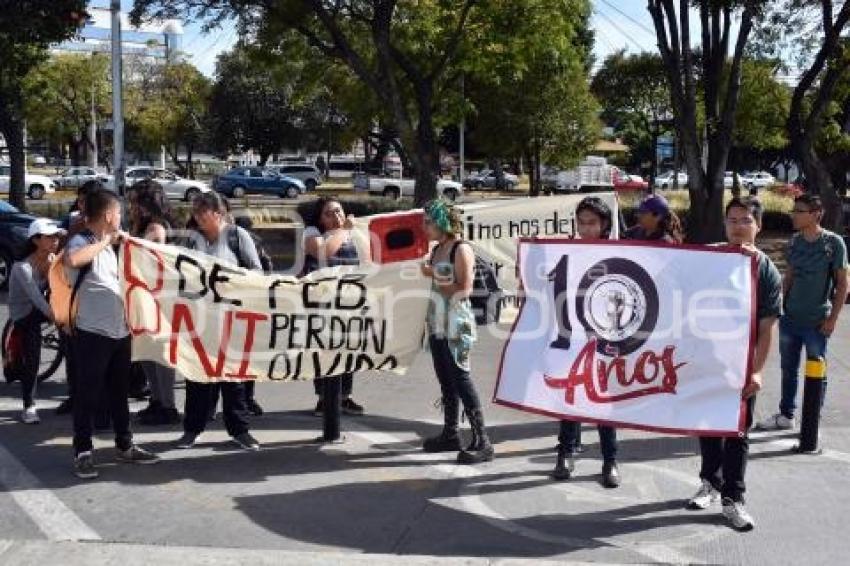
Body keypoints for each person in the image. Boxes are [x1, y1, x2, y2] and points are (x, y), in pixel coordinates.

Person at [686, 196, 782, 531]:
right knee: (707, 426)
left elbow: (768, 326)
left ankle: (734, 498)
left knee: (737, 432)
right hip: (705, 360)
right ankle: (710, 483)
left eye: (746, 221)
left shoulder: (765, 269)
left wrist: (756, 370)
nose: (738, 227)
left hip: (740, 365)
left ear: (758, 226)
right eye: (732, 220)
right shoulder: (709, 257)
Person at [64, 189, 159, 479]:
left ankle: (125, 444)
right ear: (107, 216)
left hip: (120, 332)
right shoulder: (83, 241)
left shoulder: (113, 246)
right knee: (87, 395)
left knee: (120, 393)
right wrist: (107, 240)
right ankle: (83, 451)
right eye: (118, 213)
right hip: (92, 334)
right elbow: (73, 260)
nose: (122, 217)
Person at [174, 192, 261, 451]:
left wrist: (229, 279)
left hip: (232, 318)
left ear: (218, 213)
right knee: (197, 375)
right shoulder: (192, 239)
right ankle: (193, 429)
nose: (198, 217)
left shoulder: (236, 236)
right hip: (200, 319)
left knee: (233, 377)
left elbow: (256, 270)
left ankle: (240, 430)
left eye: (203, 212)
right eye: (195, 212)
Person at [757, 194, 848, 430]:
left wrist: (833, 318)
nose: (794, 215)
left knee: (817, 372)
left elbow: (843, 284)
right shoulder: (795, 241)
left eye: (799, 211)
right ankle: (786, 415)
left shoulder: (833, 243)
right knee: (788, 370)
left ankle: (811, 422)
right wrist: (778, 308)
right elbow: (789, 277)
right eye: (793, 210)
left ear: (816, 214)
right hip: (790, 318)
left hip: (817, 321)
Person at [550, 197, 621, 488]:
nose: (585, 228)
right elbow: (551, 283)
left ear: (604, 224)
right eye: (581, 222)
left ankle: (610, 459)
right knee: (571, 395)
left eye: (591, 222)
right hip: (574, 335)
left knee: (604, 402)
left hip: (606, 337)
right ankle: (565, 452)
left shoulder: (618, 253)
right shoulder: (568, 250)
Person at [420, 199, 494, 464]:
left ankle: (482, 440)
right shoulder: (437, 248)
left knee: (461, 378)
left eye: (428, 221)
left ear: (441, 221)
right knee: (445, 381)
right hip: (436, 323)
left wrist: (432, 274)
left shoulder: (460, 249)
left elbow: (464, 289)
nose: (424, 226)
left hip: (455, 323)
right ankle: (451, 433)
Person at [303, 196, 365, 417]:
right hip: (322, 304)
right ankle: (324, 398)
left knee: (349, 351)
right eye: (329, 213)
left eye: (339, 211)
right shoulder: (312, 234)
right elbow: (322, 252)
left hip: (349, 303)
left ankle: (344, 396)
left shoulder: (355, 235)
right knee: (323, 352)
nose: (336, 216)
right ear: (319, 218)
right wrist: (344, 230)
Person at [126, 179, 180, 426]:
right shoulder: (144, 225)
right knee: (147, 350)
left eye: (135, 201)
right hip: (145, 297)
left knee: (160, 352)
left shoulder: (157, 228)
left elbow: (152, 262)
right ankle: (157, 401)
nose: (131, 206)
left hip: (159, 298)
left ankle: (167, 404)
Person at [8, 219, 64, 423]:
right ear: (36, 240)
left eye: (56, 236)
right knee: (32, 356)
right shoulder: (22, 267)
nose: (55, 240)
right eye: (50, 237)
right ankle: (29, 406)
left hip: (42, 306)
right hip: (24, 313)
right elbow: (37, 300)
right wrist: (57, 318)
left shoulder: (52, 258)